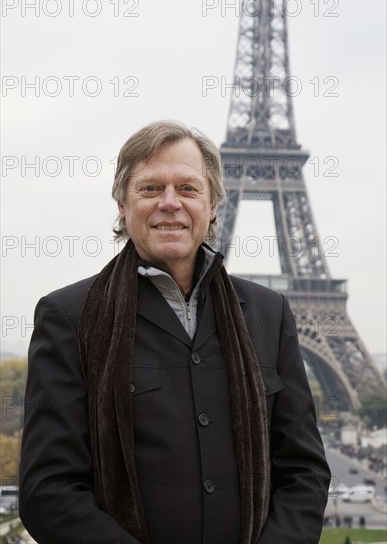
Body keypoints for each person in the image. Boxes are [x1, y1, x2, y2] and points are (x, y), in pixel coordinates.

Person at [19, 121, 331, 543]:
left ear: (213, 204)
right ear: (122, 206)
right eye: (150, 189)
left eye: (188, 188)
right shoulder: (68, 317)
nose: (170, 203)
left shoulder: (269, 313)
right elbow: (48, 490)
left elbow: (304, 471)